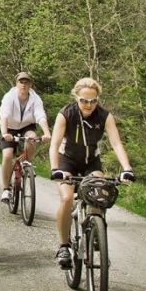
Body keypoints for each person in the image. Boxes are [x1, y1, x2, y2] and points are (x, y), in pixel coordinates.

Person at [49, 77, 135, 268]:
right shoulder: (66, 114)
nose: (88, 105)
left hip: (91, 162)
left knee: (100, 193)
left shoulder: (105, 116)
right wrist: (55, 169)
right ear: (76, 98)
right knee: (66, 199)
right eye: (84, 100)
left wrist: (127, 168)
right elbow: (54, 144)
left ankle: (96, 232)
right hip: (67, 161)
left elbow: (116, 143)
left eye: (93, 101)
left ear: (98, 99)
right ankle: (64, 246)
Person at [0, 71, 52, 204]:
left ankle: (26, 163)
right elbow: (4, 115)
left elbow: (40, 115)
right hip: (9, 127)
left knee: (32, 138)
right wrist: (5, 133)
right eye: (21, 82)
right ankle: (6, 188)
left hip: (26, 126)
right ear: (16, 84)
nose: (23, 85)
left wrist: (47, 133)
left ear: (30, 85)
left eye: (26, 82)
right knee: (7, 156)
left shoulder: (35, 98)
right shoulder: (9, 97)